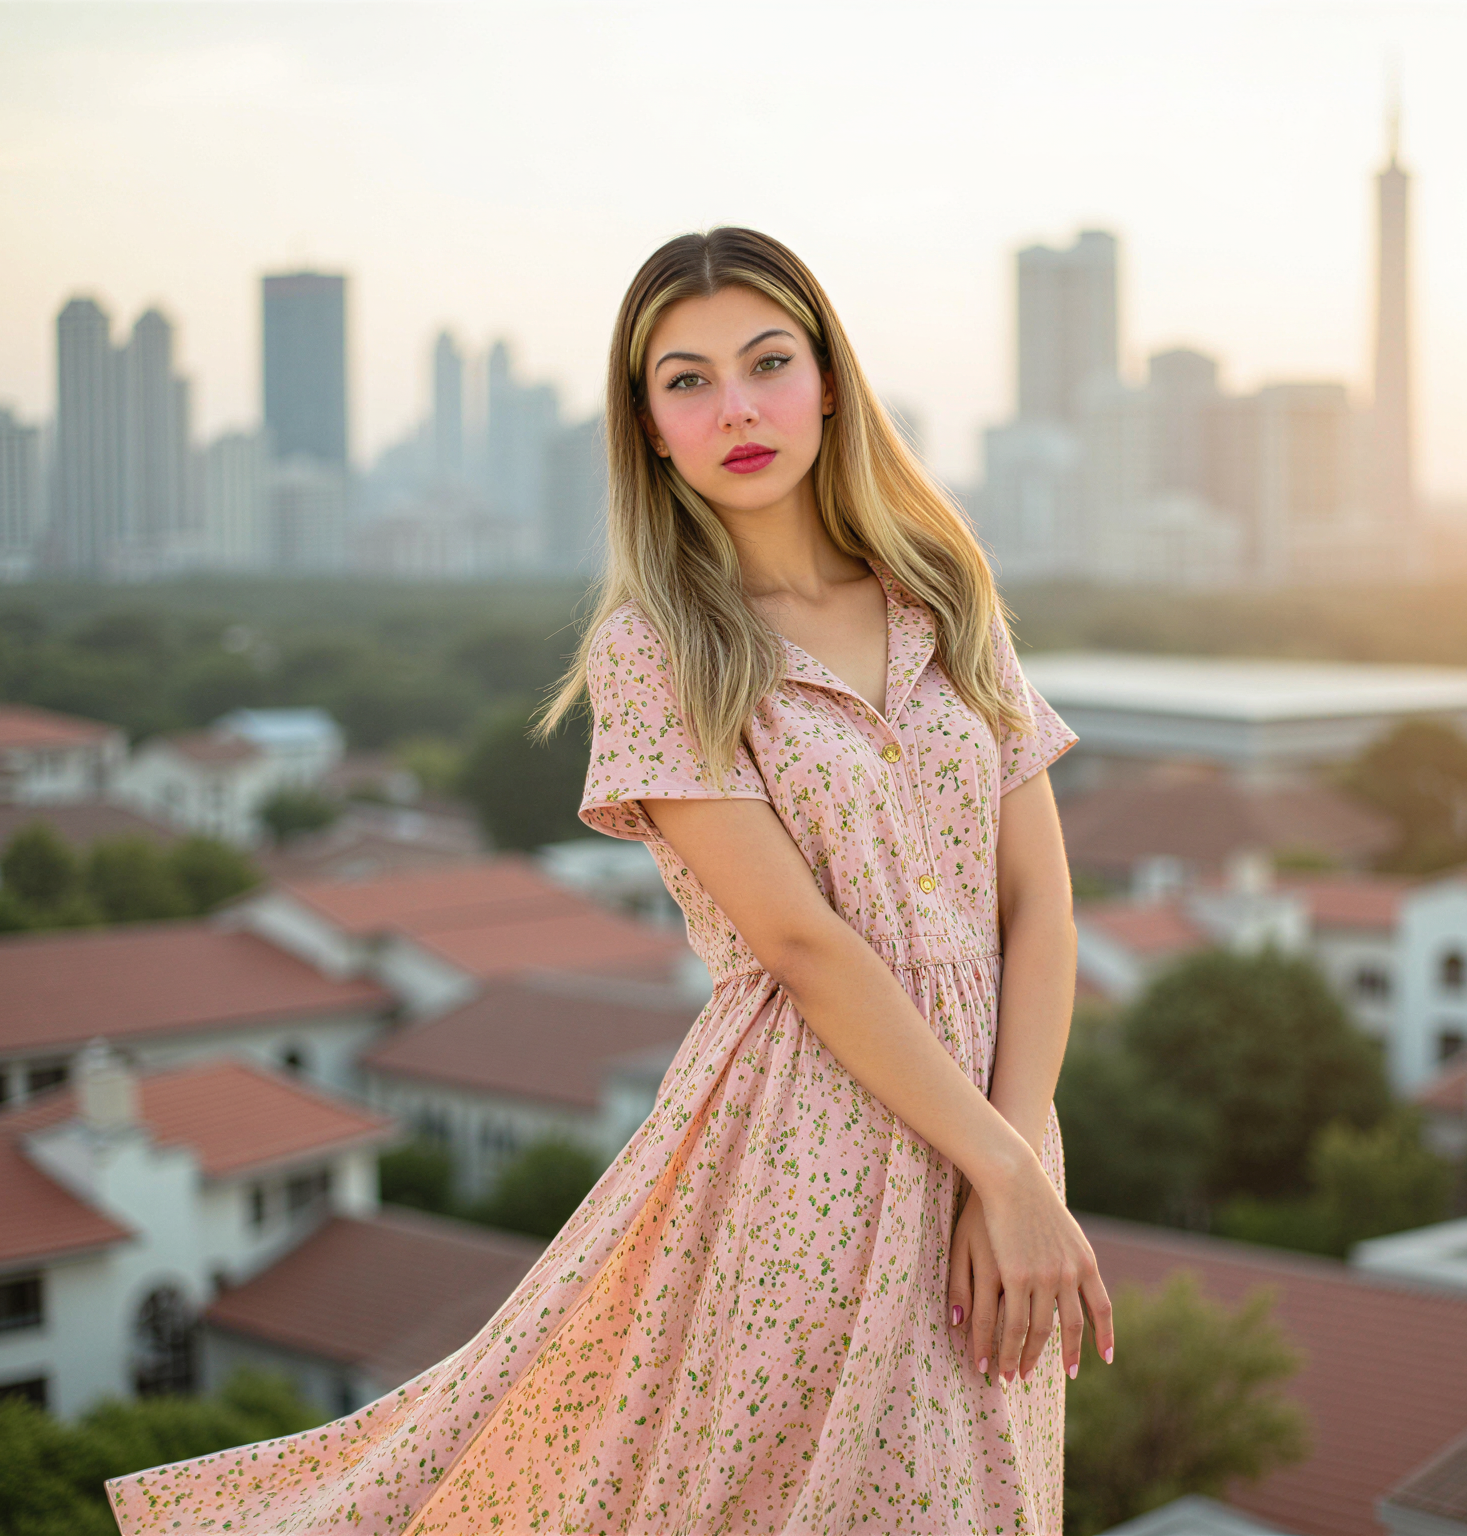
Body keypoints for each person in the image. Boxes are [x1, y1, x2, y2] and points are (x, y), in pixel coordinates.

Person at [106, 226, 1111, 1536]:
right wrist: (1000, 1165)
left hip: (999, 1127)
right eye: (686, 380)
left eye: (766, 362)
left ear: (828, 381)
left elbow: (1038, 906)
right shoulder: (662, 646)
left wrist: (1018, 1162)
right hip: (812, 1140)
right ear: (647, 425)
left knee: (984, 1488)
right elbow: (803, 945)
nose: (736, 407)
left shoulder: (944, 594)